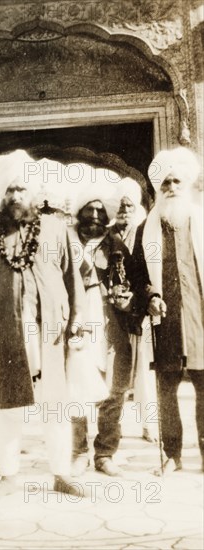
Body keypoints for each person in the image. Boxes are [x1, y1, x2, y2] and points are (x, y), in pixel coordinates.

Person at [0, 150, 86, 502]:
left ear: (33, 193)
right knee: (6, 407)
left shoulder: (56, 229)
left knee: (55, 406)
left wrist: (79, 320)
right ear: (2, 195)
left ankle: (61, 474)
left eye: (21, 189)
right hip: (3, 333)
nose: (15, 196)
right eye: (9, 190)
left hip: (50, 334)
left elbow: (72, 280)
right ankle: (8, 476)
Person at [132, 146, 203, 475]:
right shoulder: (145, 230)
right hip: (166, 320)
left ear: (186, 185)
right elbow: (136, 276)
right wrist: (149, 297)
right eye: (165, 183)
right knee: (167, 387)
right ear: (157, 189)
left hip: (200, 318)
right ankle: (172, 455)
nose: (171, 187)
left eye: (176, 181)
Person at [67, 177, 138, 477]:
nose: (94, 217)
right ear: (80, 213)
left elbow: (135, 280)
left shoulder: (116, 245)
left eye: (100, 212)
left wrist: (129, 300)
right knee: (77, 390)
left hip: (112, 327)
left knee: (114, 391)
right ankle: (78, 452)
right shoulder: (65, 242)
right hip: (77, 325)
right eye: (89, 211)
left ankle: (105, 453)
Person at [109, 179, 157, 443]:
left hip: (139, 311)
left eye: (128, 205)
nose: (123, 209)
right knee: (115, 375)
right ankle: (113, 427)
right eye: (119, 205)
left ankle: (149, 425)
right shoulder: (107, 237)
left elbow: (148, 273)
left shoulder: (144, 232)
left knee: (143, 374)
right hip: (113, 315)